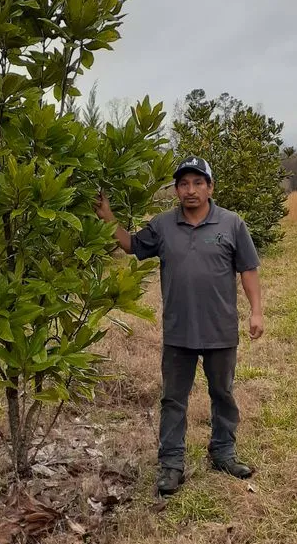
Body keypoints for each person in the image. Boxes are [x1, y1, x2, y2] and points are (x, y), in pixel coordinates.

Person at [95, 155, 264, 496]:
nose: (190, 190)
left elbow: (248, 270)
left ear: (210, 187)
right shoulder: (162, 225)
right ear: (175, 190)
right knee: (174, 400)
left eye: (198, 183)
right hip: (179, 331)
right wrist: (108, 217)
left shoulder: (232, 224)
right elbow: (132, 246)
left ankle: (223, 452)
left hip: (220, 329)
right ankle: (171, 465)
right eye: (183, 184)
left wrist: (256, 311)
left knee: (223, 394)